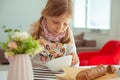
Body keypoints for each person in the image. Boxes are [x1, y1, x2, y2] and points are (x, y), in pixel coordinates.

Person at [29, 0, 79, 67]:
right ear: (45, 15)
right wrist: (33, 47)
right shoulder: (33, 31)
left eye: (65, 24)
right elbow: (22, 58)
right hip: (35, 74)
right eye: (55, 22)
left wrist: (75, 61)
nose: (59, 28)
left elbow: (74, 63)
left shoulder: (68, 34)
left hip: (60, 75)